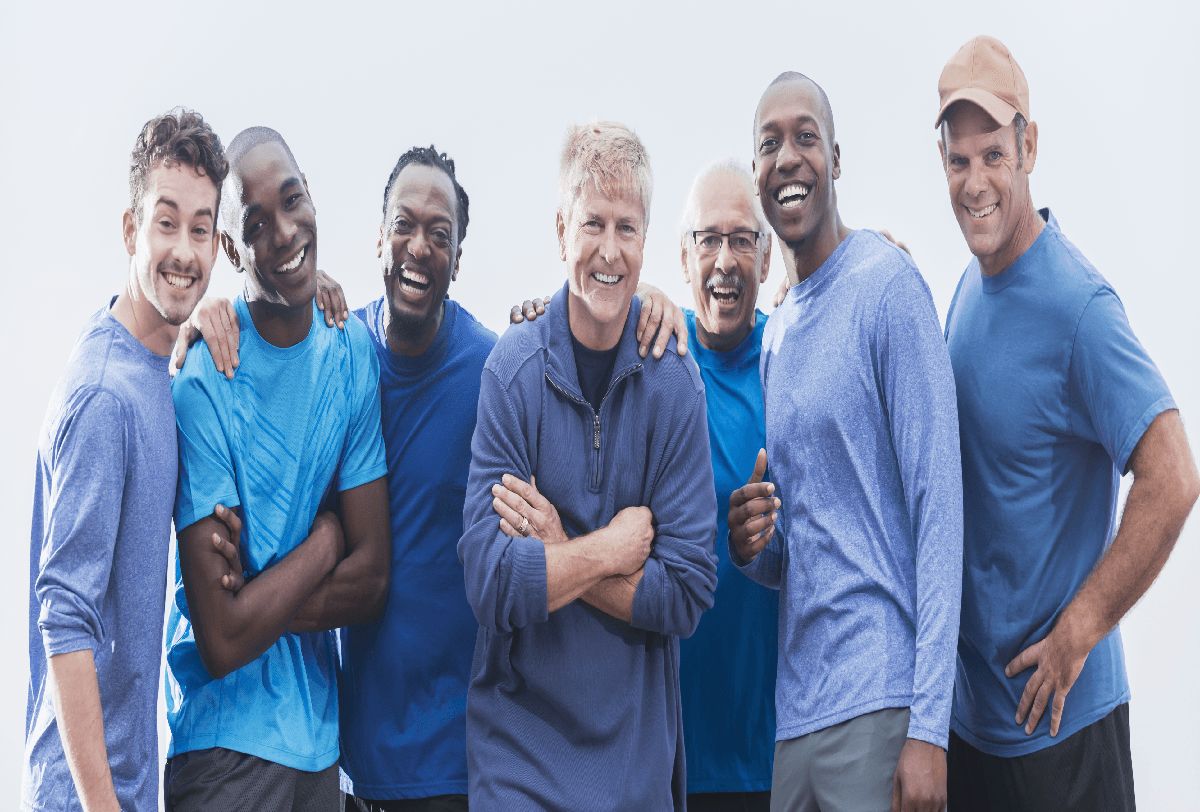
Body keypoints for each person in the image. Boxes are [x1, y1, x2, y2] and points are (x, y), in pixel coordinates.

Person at [935, 36, 1199, 811]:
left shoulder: (1078, 307)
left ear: (1030, 147)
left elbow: (1174, 473)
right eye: (958, 160)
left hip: (1063, 734)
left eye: (993, 155)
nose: (976, 181)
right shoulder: (966, 292)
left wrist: (1081, 627)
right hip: (977, 723)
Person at [461, 120, 718, 811]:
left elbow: (687, 592)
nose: (609, 251)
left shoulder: (674, 388)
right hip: (517, 764)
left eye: (627, 228)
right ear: (560, 230)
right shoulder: (512, 373)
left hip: (634, 775)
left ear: (646, 238)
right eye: (592, 224)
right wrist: (613, 549)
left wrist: (559, 554)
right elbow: (490, 584)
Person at [728, 73, 962, 812]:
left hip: (882, 705)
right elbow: (808, 543)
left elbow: (940, 511)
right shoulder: (779, 335)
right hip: (796, 723)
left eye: (805, 137)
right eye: (769, 144)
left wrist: (929, 727)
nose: (787, 157)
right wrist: (755, 548)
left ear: (836, 157)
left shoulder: (888, 287)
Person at [163, 126, 391, 811]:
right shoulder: (204, 377)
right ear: (231, 247)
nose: (286, 233)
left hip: (322, 749)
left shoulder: (349, 350)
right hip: (223, 750)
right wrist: (325, 544)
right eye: (257, 223)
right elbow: (223, 639)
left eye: (293, 202)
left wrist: (258, 600)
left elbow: (374, 577)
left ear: (313, 197)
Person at [23, 108, 227, 812]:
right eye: (166, 223)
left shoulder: (144, 367)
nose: (184, 250)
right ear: (129, 230)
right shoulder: (106, 398)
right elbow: (64, 617)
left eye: (201, 229)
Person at [335, 145, 494, 811]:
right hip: (341, 763)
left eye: (440, 233)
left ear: (458, 257)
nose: (419, 246)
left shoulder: (493, 372)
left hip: (451, 768)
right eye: (405, 224)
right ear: (379, 236)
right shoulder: (337, 356)